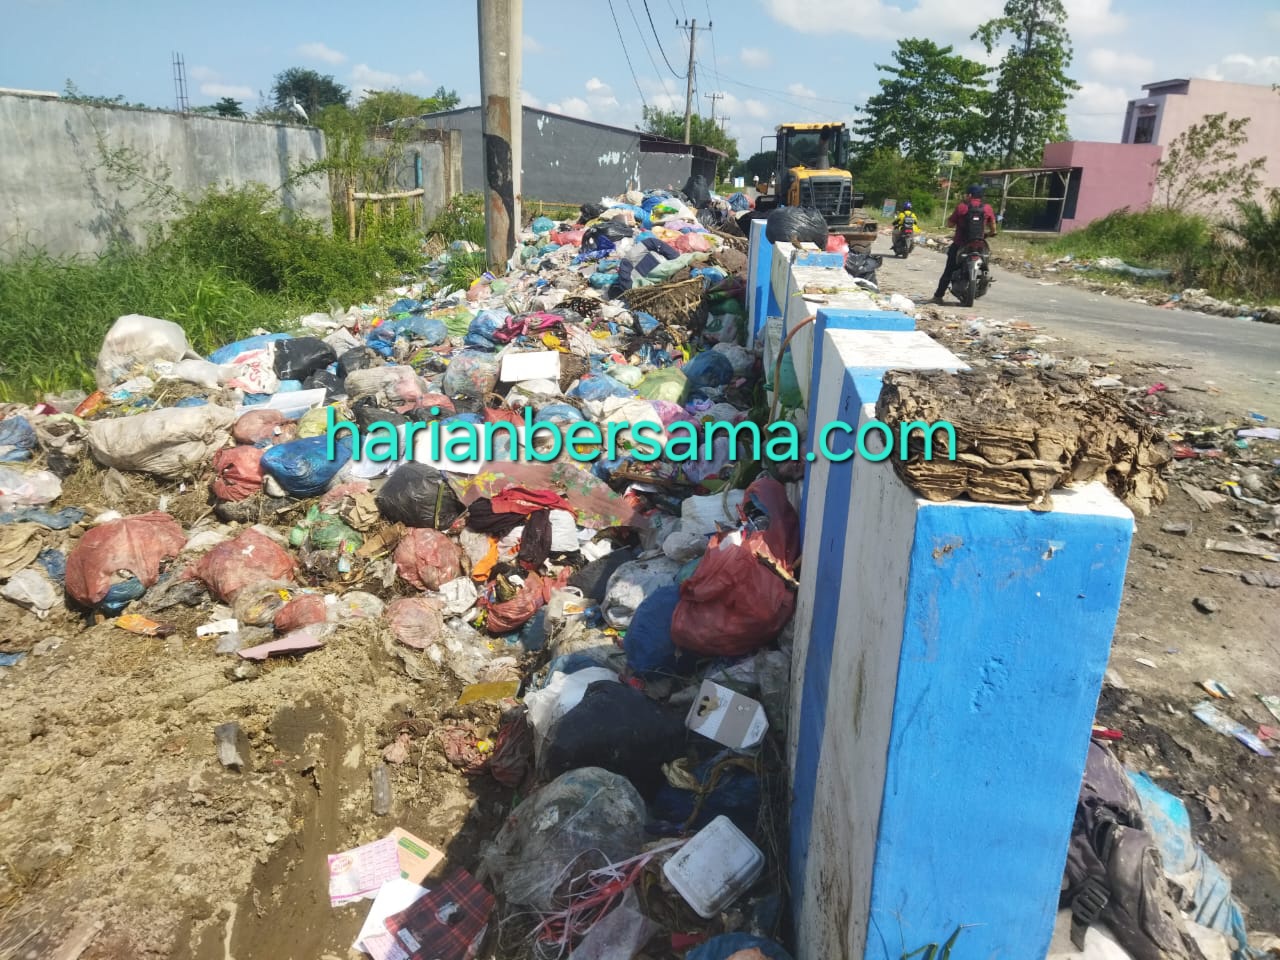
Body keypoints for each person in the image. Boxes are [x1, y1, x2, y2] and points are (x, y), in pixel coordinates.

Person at [932, 185, 997, 304]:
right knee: (985, 265)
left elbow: (950, 224)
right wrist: (990, 234)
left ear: (970, 195)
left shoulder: (962, 207)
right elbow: (993, 228)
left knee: (949, 270)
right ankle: (984, 279)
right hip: (979, 245)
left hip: (960, 244)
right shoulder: (987, 208)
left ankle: (938, 296)